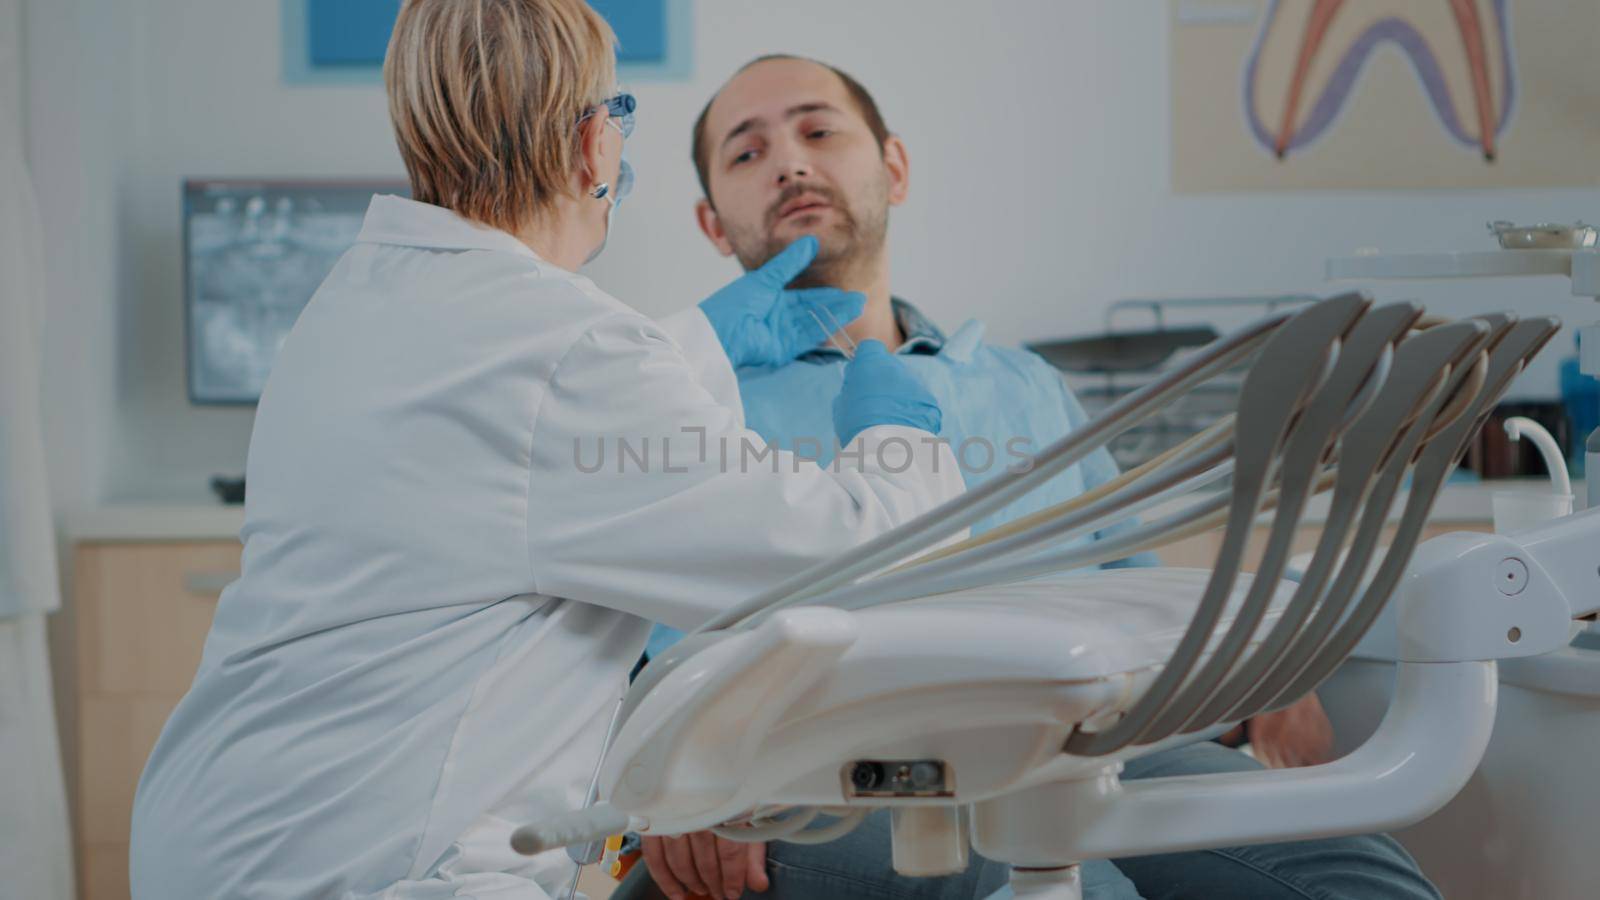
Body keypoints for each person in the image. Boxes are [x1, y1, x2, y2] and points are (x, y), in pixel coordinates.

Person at [127, 6, 967, 898]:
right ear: (594, 143)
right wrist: (898, 437)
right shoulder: (566, 352)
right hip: (371, 868)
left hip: (228, 830)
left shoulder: (358, 304)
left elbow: (512, 454)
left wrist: (698, 342)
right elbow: (855, 556)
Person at [620, 55, 1438, 900]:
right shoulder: (684, 404)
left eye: (820, 130)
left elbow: (1132, 595)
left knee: (1355, 875)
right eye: (747, 154)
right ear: (714, 223)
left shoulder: (1024, 386)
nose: (791, 161)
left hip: (1089, 743)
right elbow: (657, 659)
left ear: (893, 168)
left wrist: (1256, 676)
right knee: (1079, 887)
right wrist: (687, 784)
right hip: (836, 774)